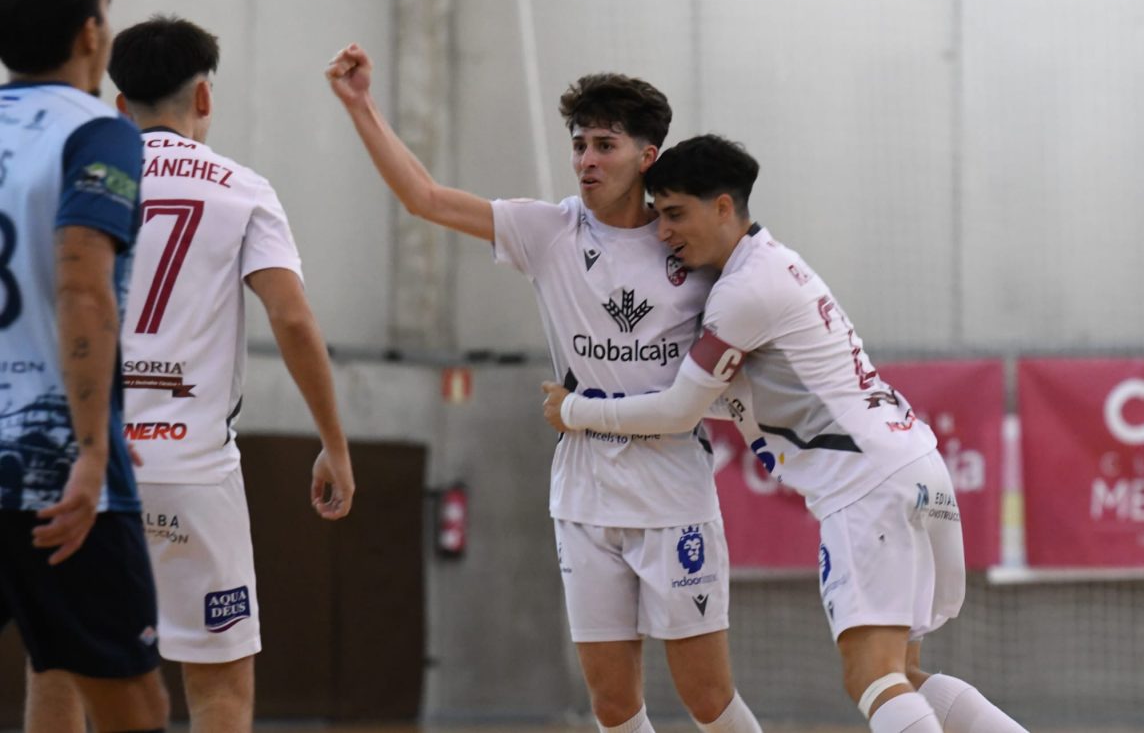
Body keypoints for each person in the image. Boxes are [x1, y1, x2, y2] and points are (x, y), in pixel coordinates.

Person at [326, 45, 761, 733]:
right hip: (585, 497)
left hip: (674, 495)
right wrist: (360, 105)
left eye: (605, 146)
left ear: (647, 157)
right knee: (612, 705)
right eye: (579, 145)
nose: (586, 160)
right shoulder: (549, 230)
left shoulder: (688, 240)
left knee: (707, 698)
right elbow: (424, 197)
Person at [542, 135, 1029, 733]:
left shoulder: (741, 293)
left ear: (723, 207)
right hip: (917, 469)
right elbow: (728, 402)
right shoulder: (774, 265)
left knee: (873, 677)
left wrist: (577, 410)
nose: (663, 232)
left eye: (675, 214)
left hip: (867, 488)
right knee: (904, 671)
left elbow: (678, 412)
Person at [25, 16, 357, 732]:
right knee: (218, 686)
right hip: (193, 471)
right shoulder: (244, 189)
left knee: (59, 670)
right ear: (204, 97)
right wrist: (333, 441)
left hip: (86, 463)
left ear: (120, 106)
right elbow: (293, 320)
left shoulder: (77, 179)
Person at [0, 0, 171, 731]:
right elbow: (80, 284)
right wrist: (93, 449)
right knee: (129, 702)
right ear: (90, 33)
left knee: (55, 669)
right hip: (53, 470)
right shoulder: (98, 131)